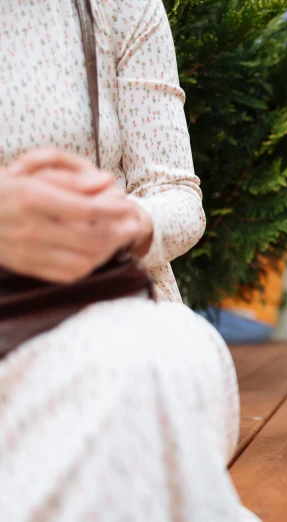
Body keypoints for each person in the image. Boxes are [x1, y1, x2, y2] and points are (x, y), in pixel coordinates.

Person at [0, 2, 257, 521]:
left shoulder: (120, 7)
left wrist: (127, 224)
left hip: (113, 311)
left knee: (145, 371)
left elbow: (176, 195)